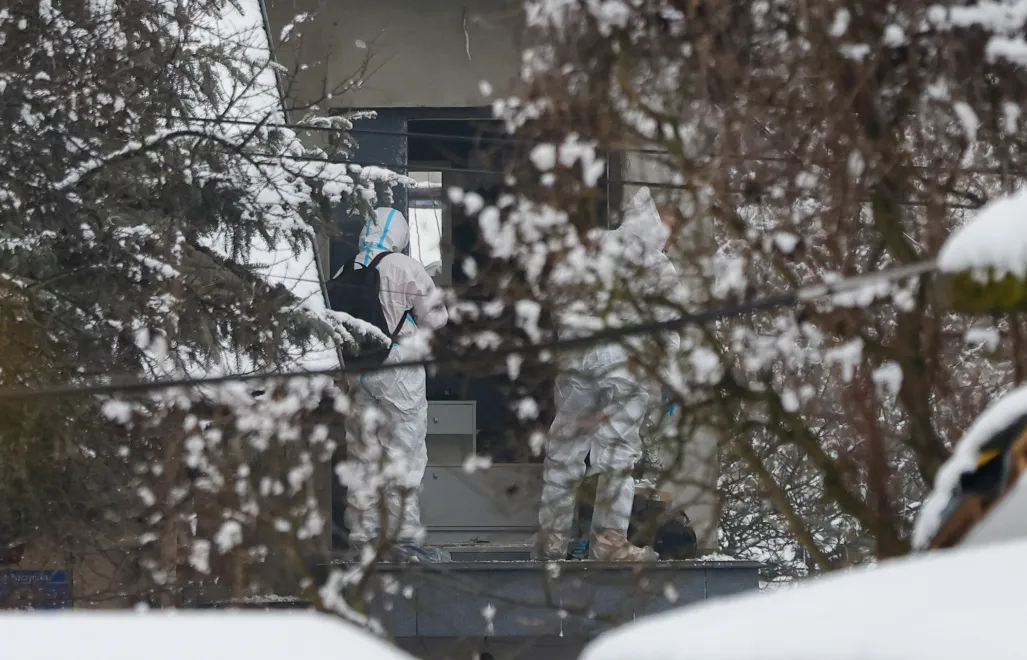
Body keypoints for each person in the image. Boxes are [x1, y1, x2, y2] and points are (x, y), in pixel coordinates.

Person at [537, 187, 682, 562]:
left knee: (565, 452)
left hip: (577, 363)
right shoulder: (656, 265)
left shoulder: (589, 249)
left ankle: (551, 542)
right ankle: (609, 543)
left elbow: (557, 297)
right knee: (616, 455)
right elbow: (666, 326)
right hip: (623, 367)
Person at [343, 206, 449, 562]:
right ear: (400, 236)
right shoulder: (404, 266)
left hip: (356, 370)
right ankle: (402, 538)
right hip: (397, 367)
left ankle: (362, 533)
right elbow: (436, 319)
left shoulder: (347, 267)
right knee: (404, 449)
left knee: (362, 450)